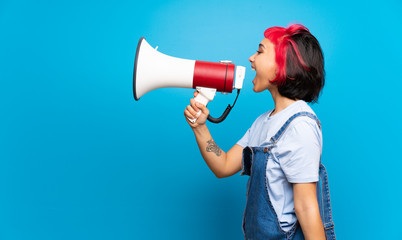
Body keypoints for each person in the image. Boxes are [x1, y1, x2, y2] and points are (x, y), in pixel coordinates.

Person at [184, 23, 335, 240]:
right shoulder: (263, 122)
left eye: (260, 51)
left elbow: (306, 207)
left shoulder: (300, 126)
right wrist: (199, 127)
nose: (251, 58)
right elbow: (224, 166)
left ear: (284, 64)